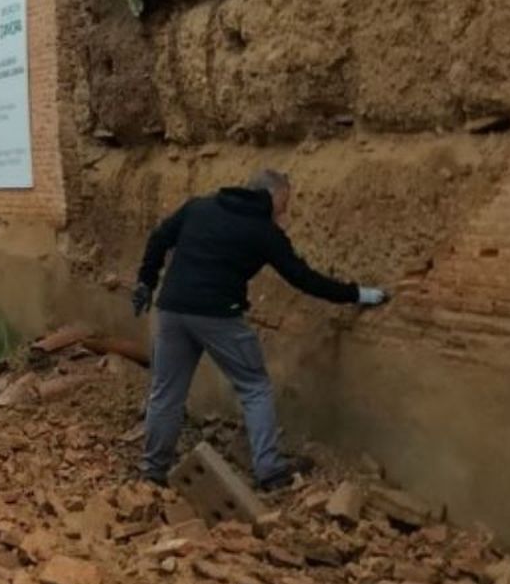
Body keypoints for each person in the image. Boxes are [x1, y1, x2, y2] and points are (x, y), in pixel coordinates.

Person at [131, 169, 389, 492]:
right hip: (218, 316)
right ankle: (269, 470)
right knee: (254, 387)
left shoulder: (199, 207)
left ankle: (152, 473)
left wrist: (146, 281)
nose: (286, 210)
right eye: (284, 203)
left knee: (166, 393)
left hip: (172, 309)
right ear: (271, 195)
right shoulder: (263, 231)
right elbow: (303, 278)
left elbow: (159, 237)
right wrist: (357, 294)